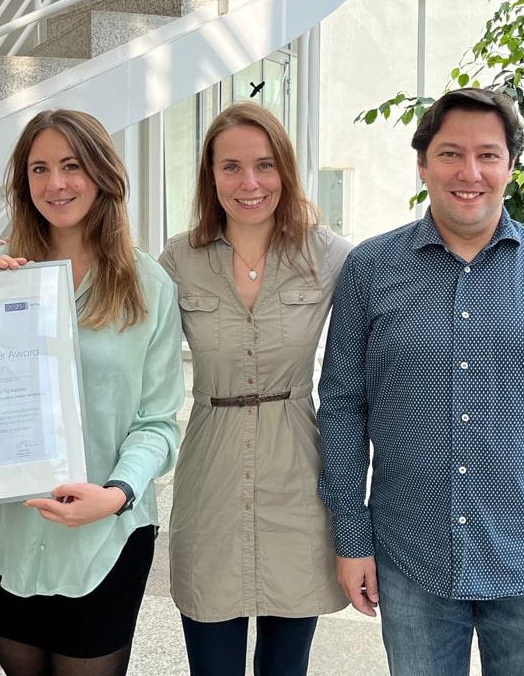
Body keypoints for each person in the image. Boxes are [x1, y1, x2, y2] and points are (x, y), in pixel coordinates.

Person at [317, 87, 524, 676]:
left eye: (488, 155)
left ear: (510, 167)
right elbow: (340, 407)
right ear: (422, 163)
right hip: (414, 555)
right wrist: (351, 537)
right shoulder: (371, 271)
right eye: (450, 154)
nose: (470, 172)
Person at [0, 109, 183, 676]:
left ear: (102, 174)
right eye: (40, 169)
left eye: (71, 165)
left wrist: (116, 494)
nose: (55, 184)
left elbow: (158, 420)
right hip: (5, 532)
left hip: (104, 535)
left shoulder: (148, 285)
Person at [157, 102, 352, 676]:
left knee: (285, 666)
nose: (249, 183)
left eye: (265, 166)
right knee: (211, 661)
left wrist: (520, 241)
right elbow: (107, 307)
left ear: (285, 172)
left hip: (297, 475)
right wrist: (23, 278)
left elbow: (416, 269)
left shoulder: (329, 255)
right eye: (231, 167)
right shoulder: (178, 259)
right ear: (209, 176)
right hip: (210, 476)